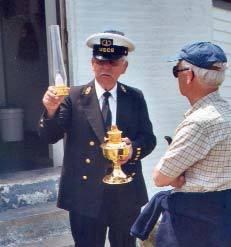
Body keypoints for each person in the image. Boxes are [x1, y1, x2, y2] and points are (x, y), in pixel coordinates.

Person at [39, 30, 156, 247]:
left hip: (125, 194)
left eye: (112, 62)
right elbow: (50, 136)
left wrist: (132, 150)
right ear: (93, 63)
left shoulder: (135, 97)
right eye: (101, 62)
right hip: (85, 196)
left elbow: (148, 139)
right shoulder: (73, 97)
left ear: (124, 66)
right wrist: (51, 111)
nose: (106, 68)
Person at [152, 42, 231, 247]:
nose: (177, 76)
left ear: (189, 75)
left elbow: (160, 177)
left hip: (191, 229)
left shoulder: (200, 122)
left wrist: (174, 175)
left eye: (176, 70)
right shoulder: (230, 114)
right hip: (221, 222)